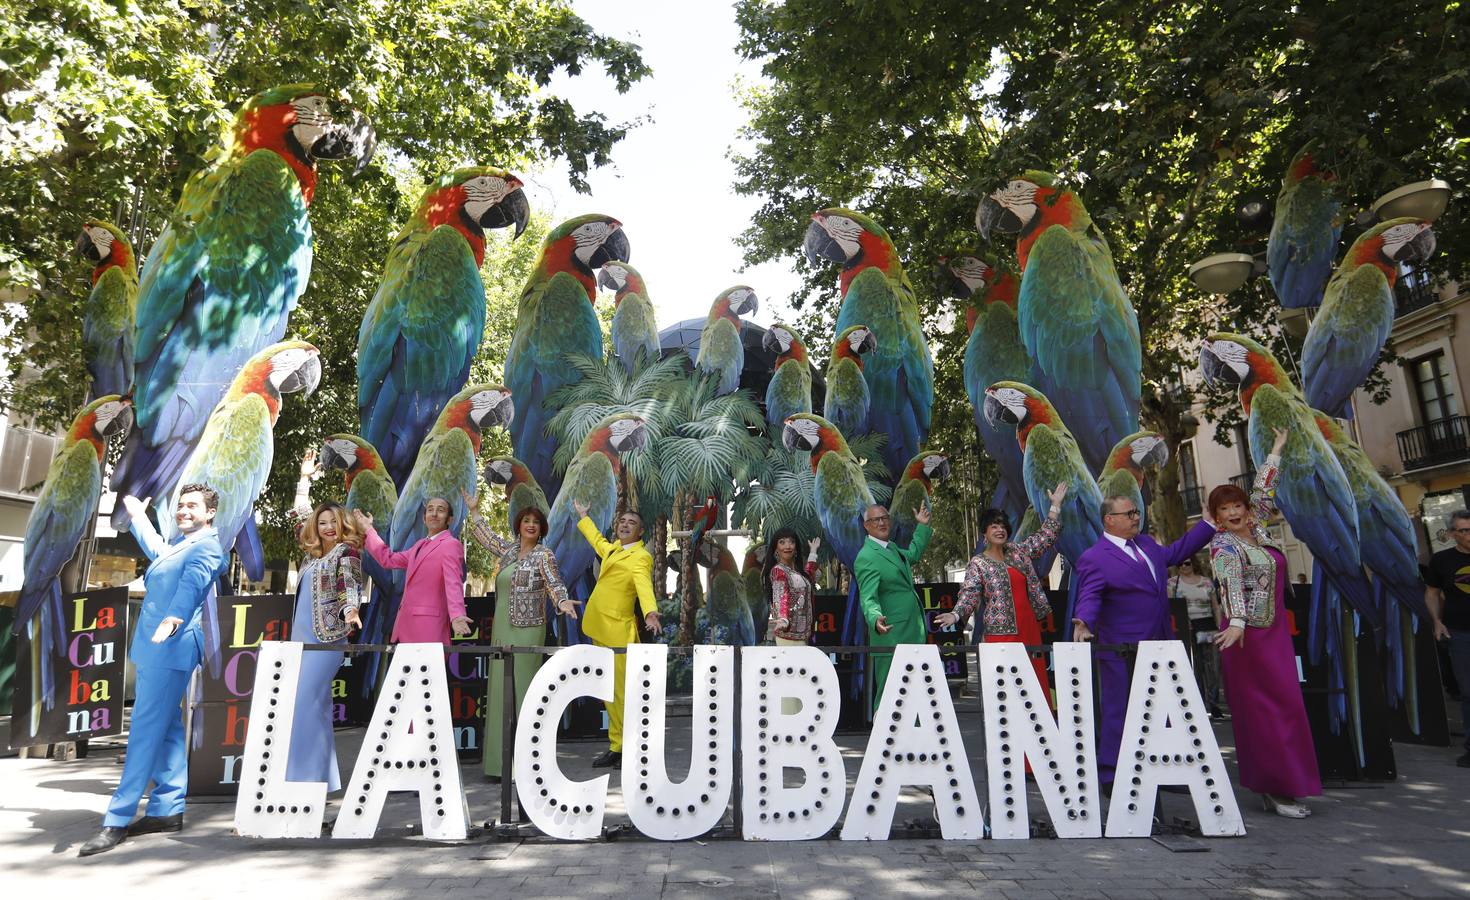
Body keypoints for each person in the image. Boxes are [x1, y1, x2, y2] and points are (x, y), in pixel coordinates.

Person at [79, 485, 225, 857]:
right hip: (155, 647)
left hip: (170, 646)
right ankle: (167, 809)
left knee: (144, 731)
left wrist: (174, 618)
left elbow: (192, 587)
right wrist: (137, 515)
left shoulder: (207, 546)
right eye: (181, 505)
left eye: (192, 505)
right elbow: (158, 551)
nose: (183, 510)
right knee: (168, 730)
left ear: (210, 513)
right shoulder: (180, 545)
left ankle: (117, 818)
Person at [1208, 428, 1323, 816]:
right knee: (1264, 712)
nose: (1234, 512)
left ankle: (1286, 782)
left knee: (1288, 706)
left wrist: (1276, 448)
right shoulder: (1224, 545)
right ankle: (1275, 788)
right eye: (1224, 510)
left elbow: (1264, 491)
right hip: (1247, 640)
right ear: (1216, 517)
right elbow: (1230, 583)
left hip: (1274, 635)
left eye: (1237, 505)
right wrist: (1237, 621)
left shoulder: (1257, 528)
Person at [1072, 491, 1216, 787]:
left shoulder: (1147, 544)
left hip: (1160, 642)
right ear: (1109, 520)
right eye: (1129, 513)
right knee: (1119, 711)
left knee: (1165, 707)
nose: (1136, 517)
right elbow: (1090, 595)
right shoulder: (1094, 558)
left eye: (1136, 512)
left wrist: (1207, 526)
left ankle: (1166, 771)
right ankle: (1111, 776)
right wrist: (1083, 620)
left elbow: (1176, 553)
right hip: (1122, 649)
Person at [463, 493, 578, 779]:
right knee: (500, 693)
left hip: (528, 630)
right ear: (518, 525)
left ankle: (528, 765)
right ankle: (498, 766)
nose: (530, 525)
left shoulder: (544, 554)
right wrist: (475, 511)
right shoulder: (509, 551)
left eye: (536, 522)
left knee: (524, 693)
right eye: (526, 521)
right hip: (502, 628)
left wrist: (562, 602)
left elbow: (554, 582)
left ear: (541, 529)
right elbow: (486, 538)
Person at [937, 484, 1067, 702]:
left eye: (1003, 526)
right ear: (985, 534)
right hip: (1000, 633)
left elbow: (1045, 537)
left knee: (1033, 681)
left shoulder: (1018, 551)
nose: (1000, 530)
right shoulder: (978, 563)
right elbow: (969, 594)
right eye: (993, 526)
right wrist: (956, 614)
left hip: (1029, 628)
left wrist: (1055, 506)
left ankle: (1038, 732)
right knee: (1007, 686)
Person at [284, 498, 364, 792]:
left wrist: (351, 610)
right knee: (315, 706)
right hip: (301, 640)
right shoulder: (312, 556)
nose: (329, 528)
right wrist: (304, 482)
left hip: (326, 640)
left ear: (342, 525)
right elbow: (298, 516)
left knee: (303, 703)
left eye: (333, 522)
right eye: (322, 523)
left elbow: (349, 583)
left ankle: (299, 779)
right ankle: (323, 780)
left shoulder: (347, 552)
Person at [573, 501, 659, 768]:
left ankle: (630, 748)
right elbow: (597, 540)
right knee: (609, 692)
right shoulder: (613, 550)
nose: (625, 525)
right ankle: (616, 746)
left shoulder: (640, 557)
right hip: (599, 628)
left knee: (622, 693)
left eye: (631, 523)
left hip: (618, 633)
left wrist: (650, 613)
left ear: (641, 532)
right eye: (622, 521)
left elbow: (643, 585)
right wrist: (584, 516)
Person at [353, 499, 471, 645]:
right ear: (424, 517)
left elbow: (453, 583)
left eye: (440, 510)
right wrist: (368, 530)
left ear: (450, 519)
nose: (434, 514)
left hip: (429, 629)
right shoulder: (419, 545)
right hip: (406, 628)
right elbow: (388, 559)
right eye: (430, 509)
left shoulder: (451, 545)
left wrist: (457, 616)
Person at [854, 502, 932, 712]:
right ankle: (884, 741)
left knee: (915, 693)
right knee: (891, 694)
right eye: (875, 520)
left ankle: (915, 739)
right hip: (891, 633)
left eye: (885, 518)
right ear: (866, 526)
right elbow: (868, 597)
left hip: (912, 630)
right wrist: (875, 617)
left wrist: (922, 527)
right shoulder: (866, 556)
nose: (881, 522)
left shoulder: (892, 548)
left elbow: (913, 555)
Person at [1426, 508, 1470, 768]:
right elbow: (1432, 593)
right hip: (1461, 633)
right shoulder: (1442, 561)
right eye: (1464, 531)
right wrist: (1437, 621)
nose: (1469, 535)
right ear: (1453, 534)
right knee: (1468, 693)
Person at [763, 527, 822, 713]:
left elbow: (809, 577)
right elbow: (782, 596)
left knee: (799, 682)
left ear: (796, 547)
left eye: (791, 542)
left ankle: (796, 724)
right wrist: (782, 618)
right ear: (775, 548)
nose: (787, 546)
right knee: (790, 684)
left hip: (801, 635)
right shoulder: (778, 571)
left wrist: (813, 553)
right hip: (788, 636)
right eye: (782, 542)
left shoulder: (796, 573)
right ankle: (787, 725)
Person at [1169, 555, 1222, 715]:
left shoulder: (1206, 582)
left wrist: (1220, 627)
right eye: (1180, 564)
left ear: (1194, 563)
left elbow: (1215, 607)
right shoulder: (1172, 583)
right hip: (1187, 628)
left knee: (1213, 666)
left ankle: (1214, 702)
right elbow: (1170, 608)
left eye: (1187, 563)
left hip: (1208, 626)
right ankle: (1198, 702)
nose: (1184, 566)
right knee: (1194, 665)